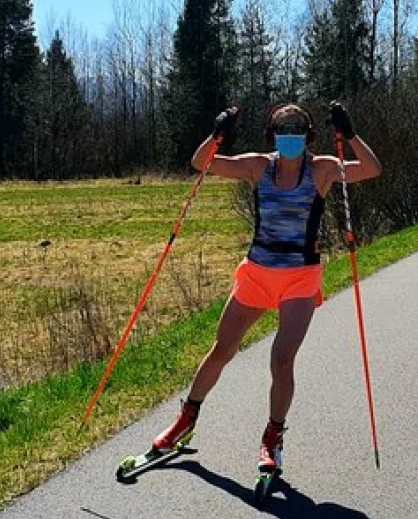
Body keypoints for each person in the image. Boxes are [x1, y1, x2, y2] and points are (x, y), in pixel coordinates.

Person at [150, 102, 382, 474]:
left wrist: (350, 134)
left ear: (308, 135)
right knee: (222, 349)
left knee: (281, 360)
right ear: (272, 135)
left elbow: (371, 169)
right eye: (282, 129)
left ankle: (273, 437)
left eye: (296, 129)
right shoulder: (258, 165)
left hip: (299, 278)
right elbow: (201, 162)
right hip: (257, 273)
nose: (289, 135)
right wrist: (218, 132)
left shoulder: (321, 169)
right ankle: (186, 419)